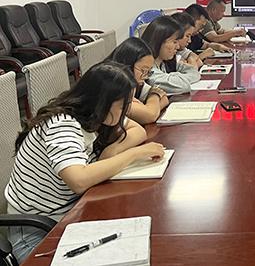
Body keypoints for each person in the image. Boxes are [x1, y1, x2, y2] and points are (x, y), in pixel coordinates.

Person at [4, 62, 165, 263]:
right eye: (123, 105)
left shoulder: (95, 117)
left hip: (70, 213)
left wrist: (112, 151)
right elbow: (78, 180)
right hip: (36, 231)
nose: (126, 110)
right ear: (103, 102)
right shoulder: (62, 123)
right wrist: (133, 154)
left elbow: (138, 131)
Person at [108, 37, 169, 124]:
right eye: (143, 70)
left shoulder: (136, 81)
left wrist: (149, 108)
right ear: (128, 64)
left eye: (149, 72)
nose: (146, 76)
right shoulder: (112, 83)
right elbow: (150, 115)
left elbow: (164, 99)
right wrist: (155, 95)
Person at [141, 16, 201, 95]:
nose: (178, 47)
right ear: (159, 41)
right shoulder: (148, 70)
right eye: (174, 42)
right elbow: (183, 86)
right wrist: (175, 76)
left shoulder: (165, 62)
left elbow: (194, 73)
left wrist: (173, 76)